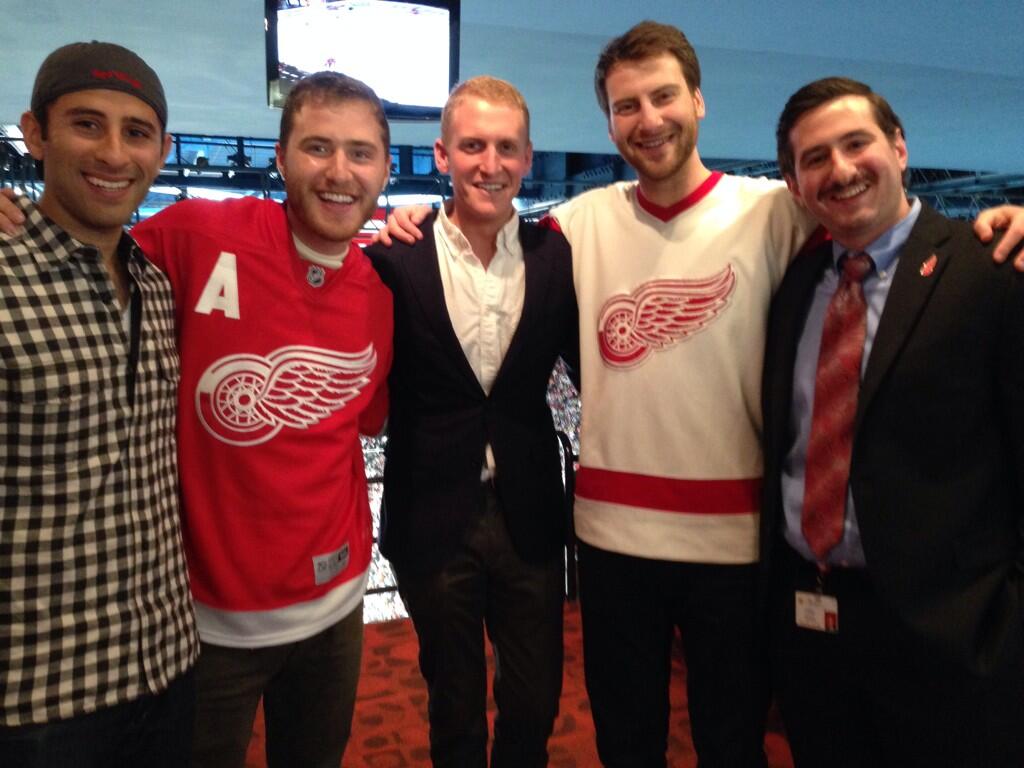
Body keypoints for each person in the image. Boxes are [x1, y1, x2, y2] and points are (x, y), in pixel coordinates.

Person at [376, 21, 1024, 768]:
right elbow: (484, 237)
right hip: (610, 542)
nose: (648, 120)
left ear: (698, 101)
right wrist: (416, 215)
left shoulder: (774, 212)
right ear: (610, 123)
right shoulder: (576, 227)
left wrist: (999, 226)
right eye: (627, 106)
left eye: (663, 96)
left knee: (729, 740)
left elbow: (884, 226)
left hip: (736, 543)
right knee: (626, 741)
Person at [128, 72, 393, 767]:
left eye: (361, 153)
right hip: (206, 624)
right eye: (318, 147)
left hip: (334, 610)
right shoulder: (198, 233)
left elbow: (360, 426)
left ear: (386, 169)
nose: (340, 172)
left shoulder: (377, 293)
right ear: (280, 158)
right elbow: (84, 256)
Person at [761, 76, 1024, 768]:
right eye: (815, 158)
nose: (841, 170)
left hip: (950, 636)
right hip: (811, 618)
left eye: (857, 144)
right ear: (793, 182)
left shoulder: (992, 269)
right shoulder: (796, 283)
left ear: (900, 148)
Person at [364, 76, 578, 768]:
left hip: (530, 513)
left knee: (535, 700)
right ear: (441, 155)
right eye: (474, 145)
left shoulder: (557, 257)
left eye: (506, 147)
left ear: (527, 157)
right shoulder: (393, 258)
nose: (491, 163)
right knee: (453, 703)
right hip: (432, 513)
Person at [0, 42, 199, 766]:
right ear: (35, 133)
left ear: (162, 149)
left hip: (167, 662)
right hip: (37, 697)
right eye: (88, 125)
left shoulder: (157, 282)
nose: (115, 154)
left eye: (136, 132)